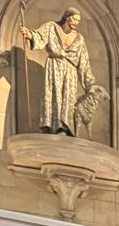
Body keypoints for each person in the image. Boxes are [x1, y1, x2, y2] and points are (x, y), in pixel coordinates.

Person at [18, 8, 103, 136]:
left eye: (78, 21)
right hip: (54, 65)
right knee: (52, 93)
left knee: (68, 98)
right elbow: (39, 37)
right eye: (74, 19)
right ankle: (49, 125)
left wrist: (90, 83)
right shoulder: (51, 27)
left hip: (70, 71)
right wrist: (29, 35)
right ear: (67, 17)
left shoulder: (79, 39)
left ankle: (64, 127)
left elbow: (84, 62)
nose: (76, 23)